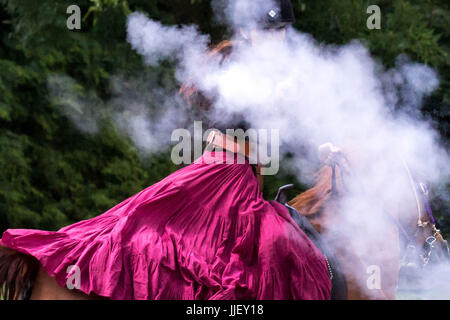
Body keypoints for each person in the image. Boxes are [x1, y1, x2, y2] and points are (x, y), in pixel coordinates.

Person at [0, 0, 331, 300]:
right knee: (213, 256)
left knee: (230, 258)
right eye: (269, 31)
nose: (278, 38)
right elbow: (241, 111)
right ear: (246, 31)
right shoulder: (238, 65)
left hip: (239, 178)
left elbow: (284, 126)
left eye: (282, 30)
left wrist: (321, 145)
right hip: (224, 175)